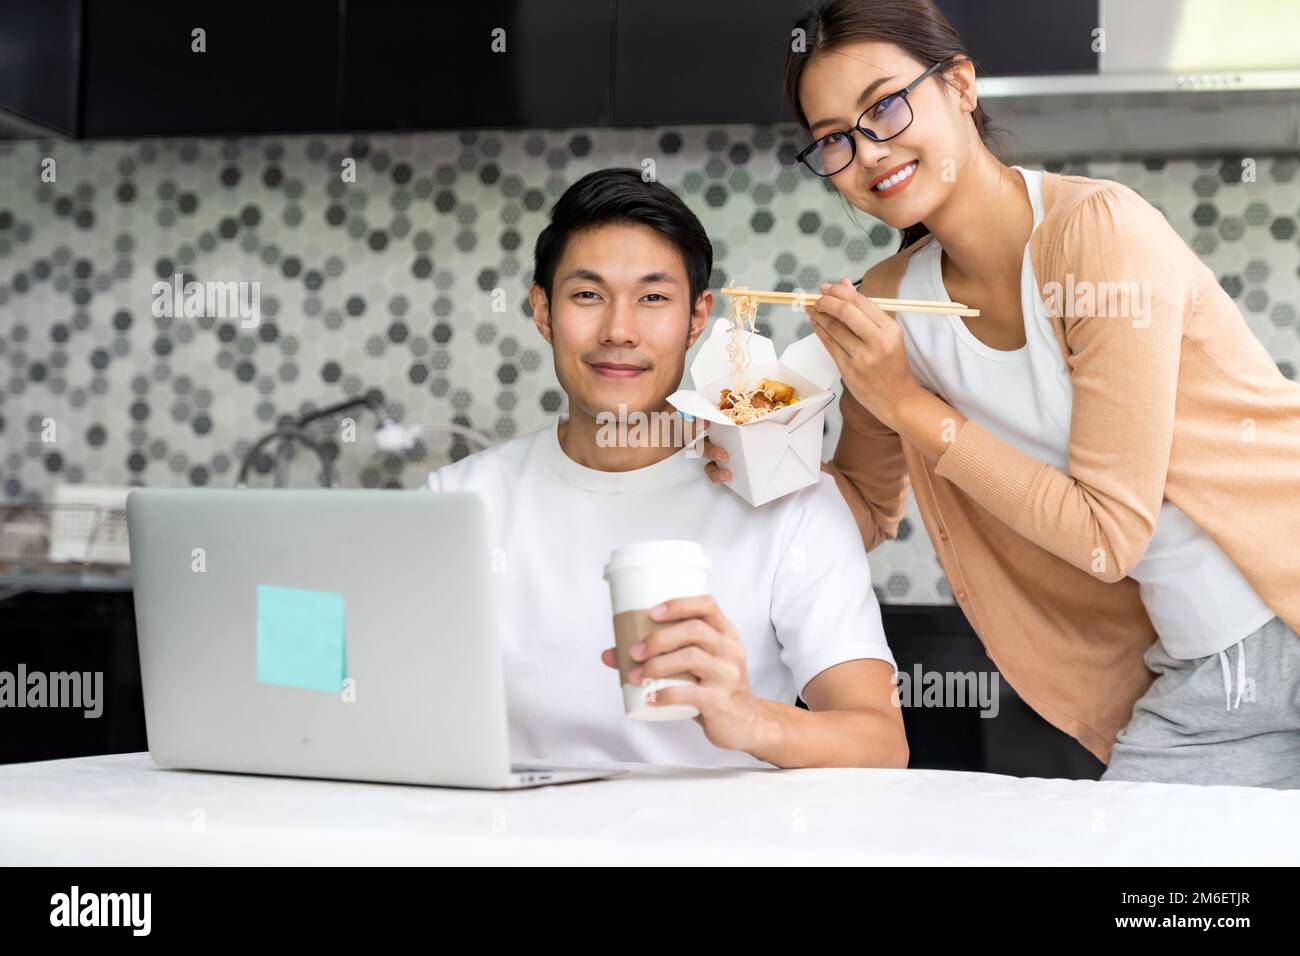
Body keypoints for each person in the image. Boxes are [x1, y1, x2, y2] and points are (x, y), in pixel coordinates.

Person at [702, 0, 1300, 787]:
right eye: (835, 139)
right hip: (1208, 671)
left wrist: (909, 403)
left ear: (960, 84)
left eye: (885, 105)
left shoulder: (1097, 234)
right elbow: (865, 510)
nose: (869, 151)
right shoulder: (889, 308)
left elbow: (1109, 533)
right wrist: (759, 458)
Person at [425, 168, 907, 770]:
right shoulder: (456, 503)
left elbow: (881, 743)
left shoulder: (789, 500)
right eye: (587, 295)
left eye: (653, 298)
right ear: (543, 311)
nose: (619, 331)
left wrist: (750, 718)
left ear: (698, 317)